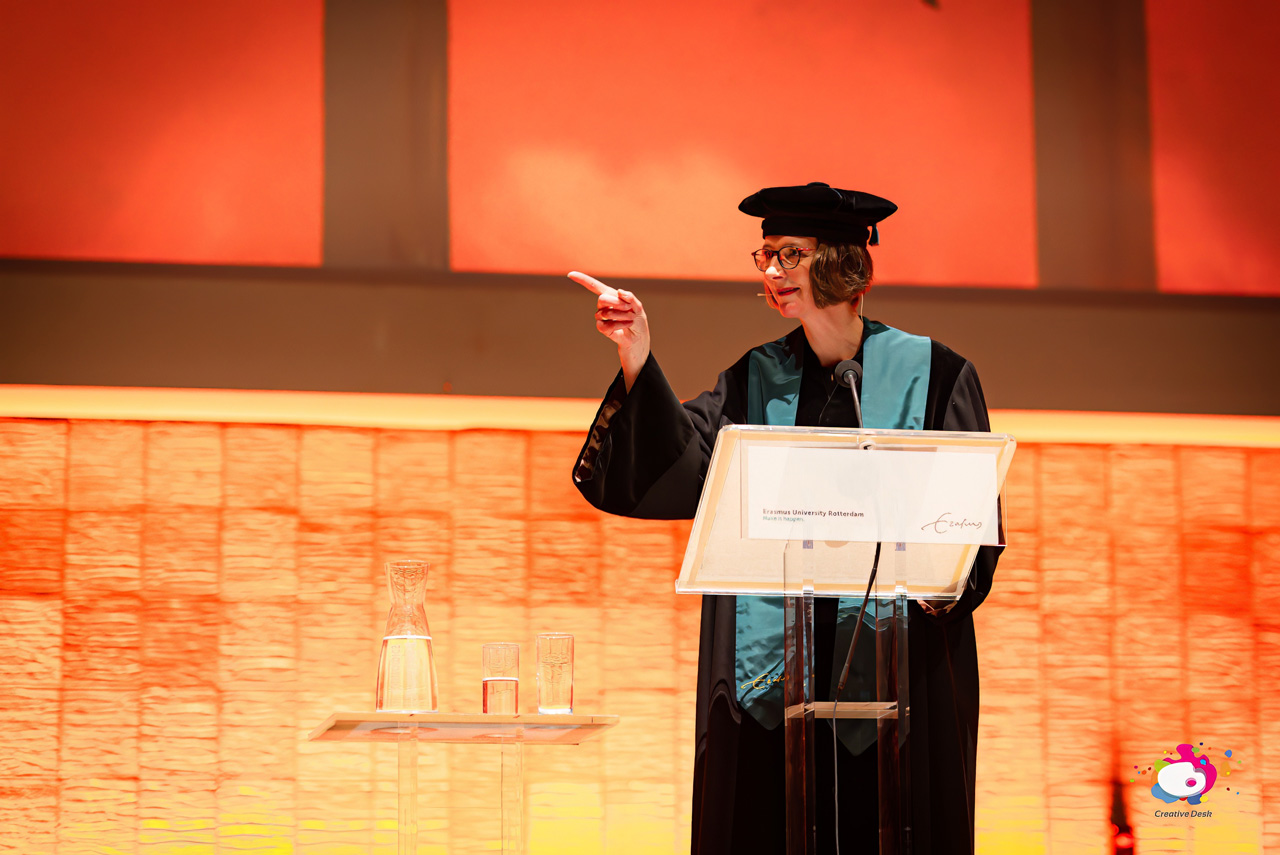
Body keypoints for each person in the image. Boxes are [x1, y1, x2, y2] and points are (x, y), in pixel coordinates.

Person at [570, 182, 1002, 855]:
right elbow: (681, 465)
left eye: (790, 254)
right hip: (772, 690)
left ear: (842, 263)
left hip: (898, 681)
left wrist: (937, 580)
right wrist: (637, 356)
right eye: (765, 255)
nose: (771, 271)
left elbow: (970, 531)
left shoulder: (936, 376)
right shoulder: (755, 380)